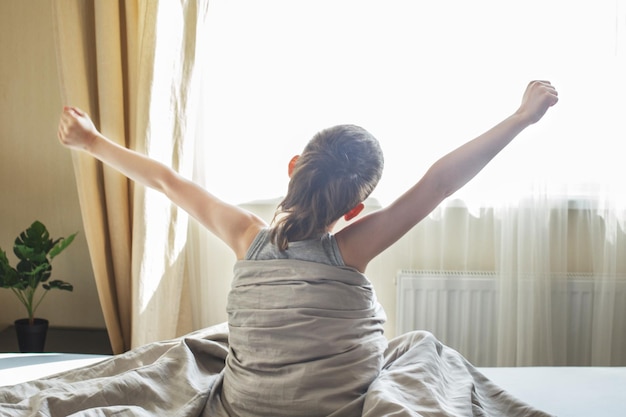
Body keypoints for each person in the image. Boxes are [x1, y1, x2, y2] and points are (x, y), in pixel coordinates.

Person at [57, 80, 558, 415]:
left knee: (211, 344)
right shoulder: (354, 246)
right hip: (331, 410)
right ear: (356, 210)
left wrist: (92, 141)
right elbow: (438, 184)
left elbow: (165, 181)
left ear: (294, 165)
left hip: (245, 409)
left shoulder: (244, 235)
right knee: (421, 347)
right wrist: (520, 118)